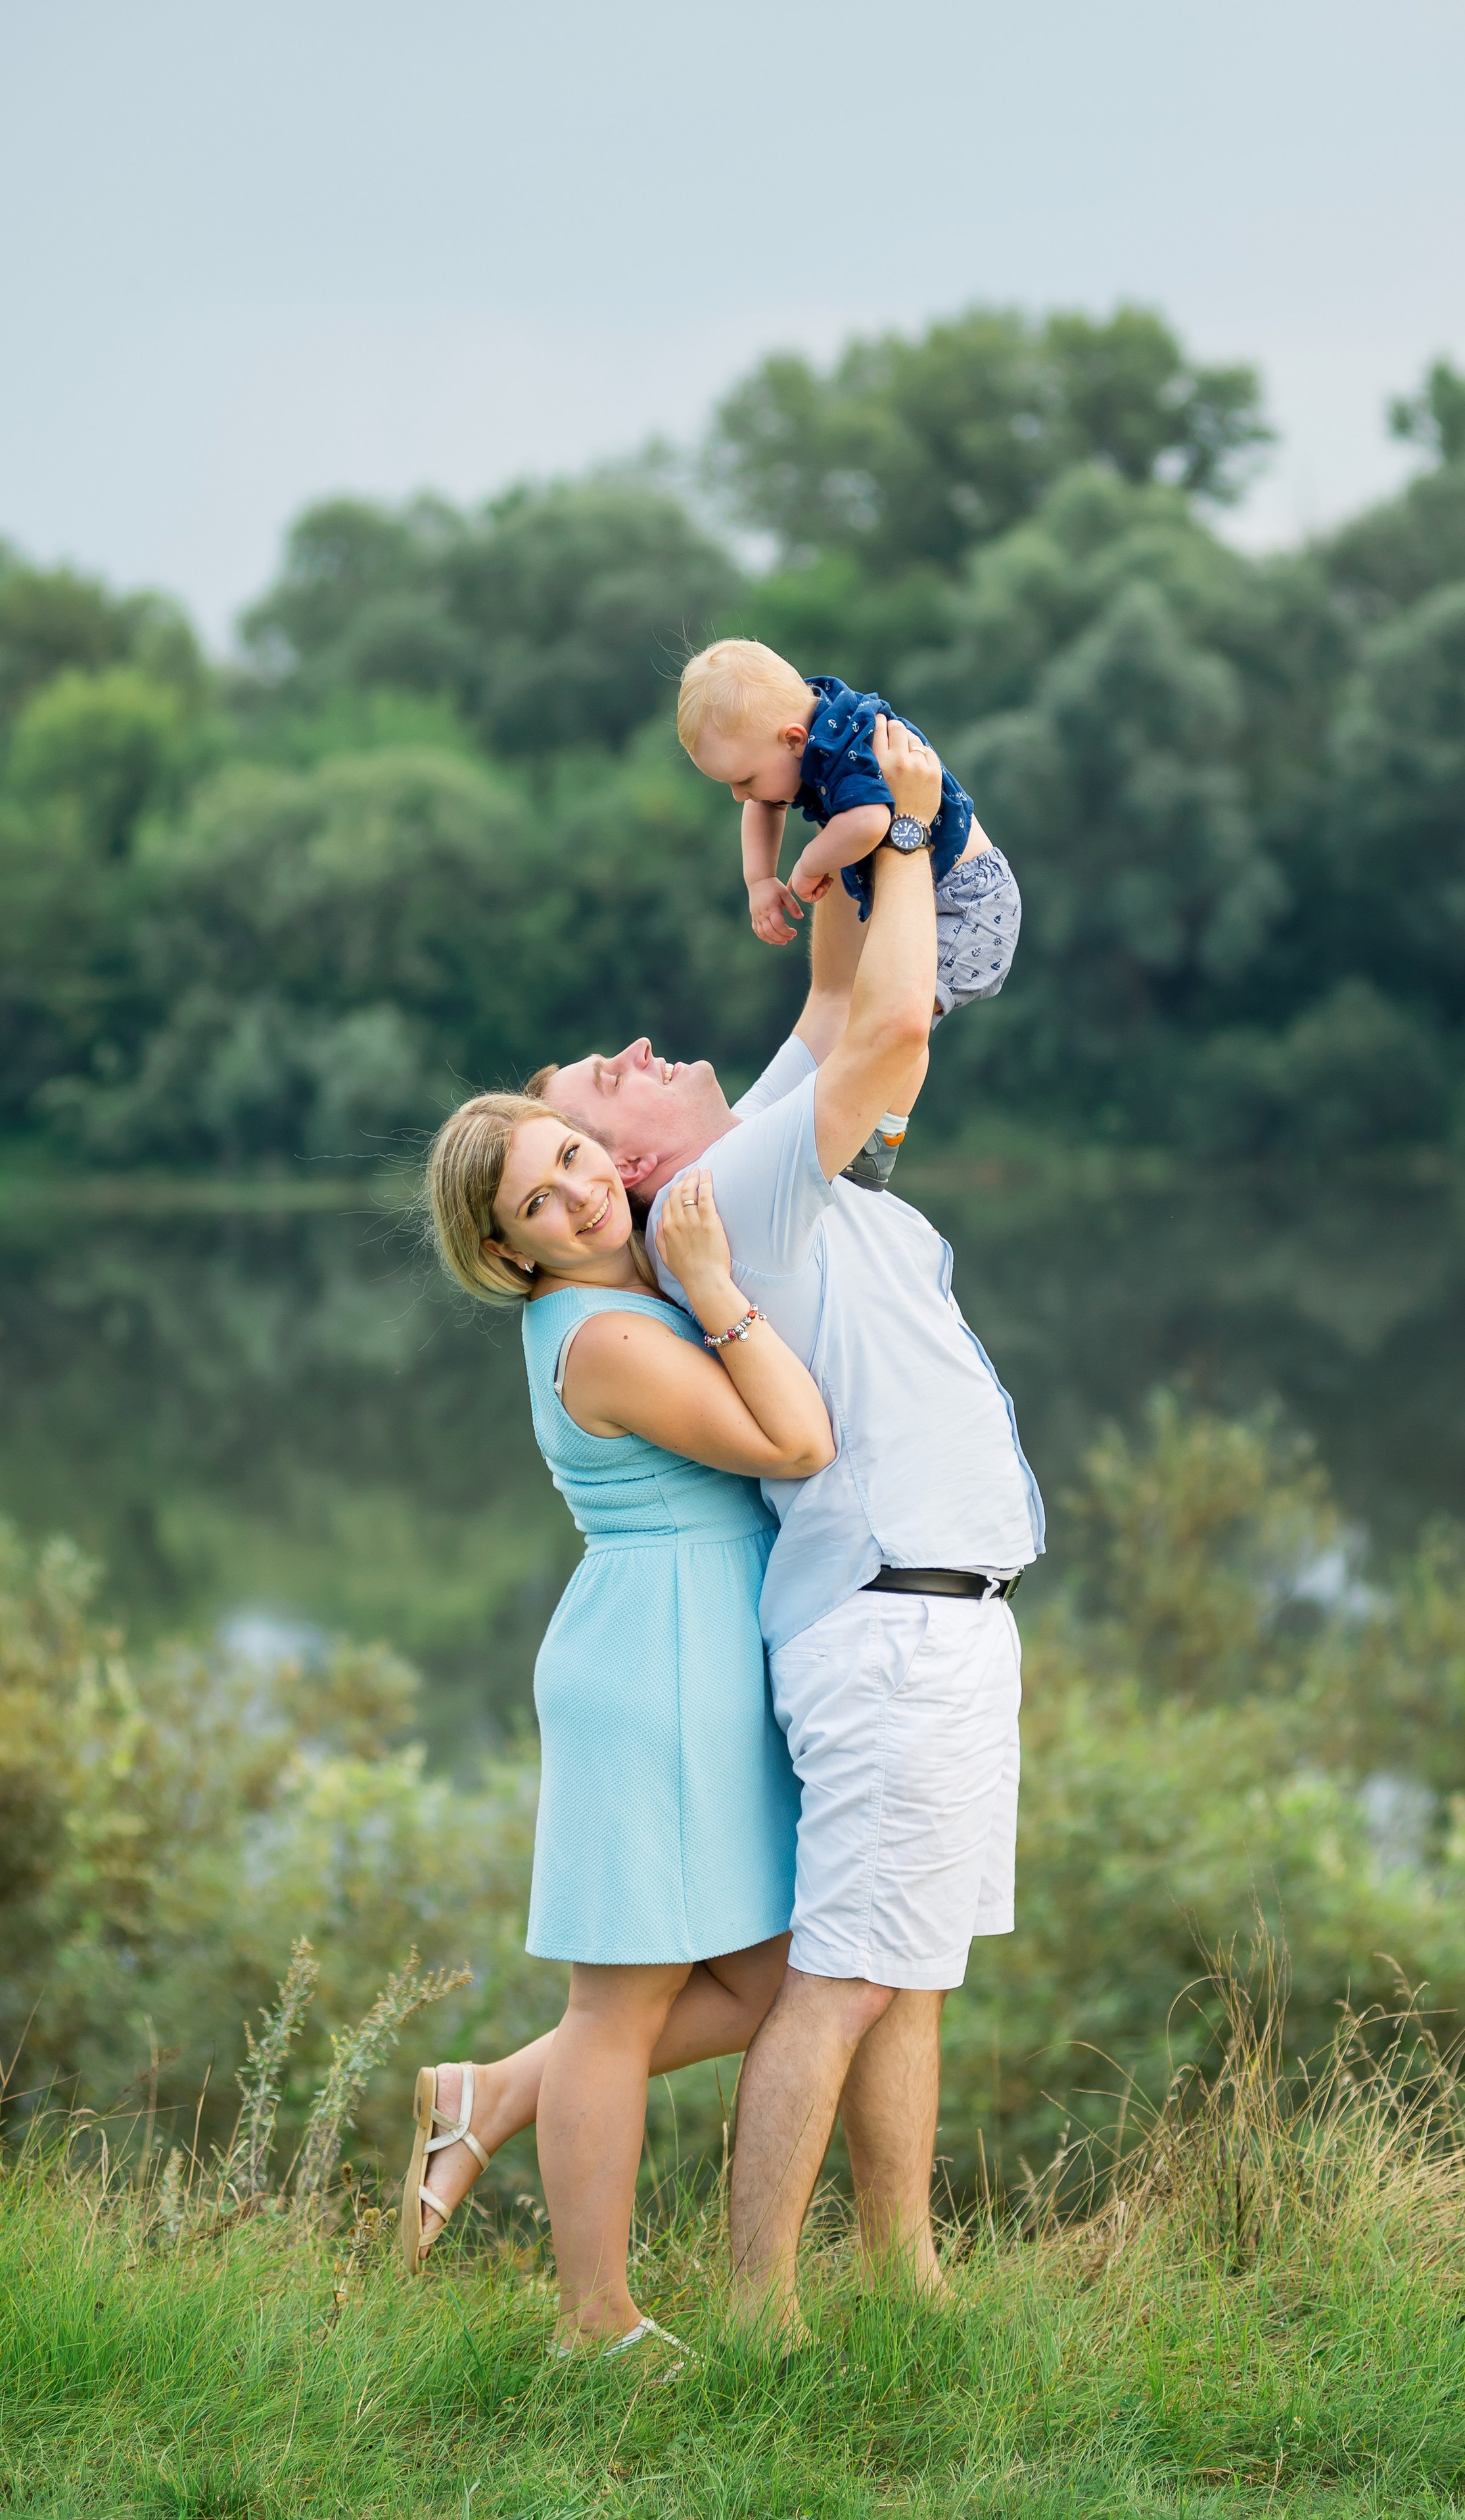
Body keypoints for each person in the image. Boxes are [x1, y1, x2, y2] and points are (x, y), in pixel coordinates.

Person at [546, 716, 1045, 2342]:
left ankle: (899, 2272)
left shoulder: (737, 1151)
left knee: (900, 1967)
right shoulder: (738, 1185)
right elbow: (894, 1023)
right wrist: (898, 836)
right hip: (894, 1619)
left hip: (934, 1608)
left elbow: (838, 999)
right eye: (596, 1088)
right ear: (632, 1166)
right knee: (839, 1976)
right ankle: (762, 2314)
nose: (633, 1046)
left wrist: (824, 811)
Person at [407, 1096, 833, 2357]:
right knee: (616, 2005)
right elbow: (796, 1439)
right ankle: (593, 2324)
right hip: (654, 1663)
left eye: (578, 1158)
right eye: (540, 1197)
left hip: (700, 1647)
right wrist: (716, 1288)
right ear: (510, 1252)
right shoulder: (599, 1333)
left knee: (773, 1983)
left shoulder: (611, 1289)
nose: (582, 1192)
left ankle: (487, 2095)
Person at [677, 636, 1022, 1190]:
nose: (741, 797)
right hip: (921, 893)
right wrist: (759, 881)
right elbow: (766, 806)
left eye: (743, 780)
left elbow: (868, 824)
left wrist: (811, 861)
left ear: (793, 740)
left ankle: (882, 1137)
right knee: (870, 1011)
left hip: (968, 904)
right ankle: (859, 1123)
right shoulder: (795, 739)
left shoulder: (851, 743)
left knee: (903, 1018)